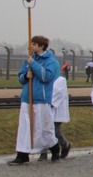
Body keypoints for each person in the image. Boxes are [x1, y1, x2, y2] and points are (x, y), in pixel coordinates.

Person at [8, 35, 61, 165]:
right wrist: (26, 76)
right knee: (25, 127)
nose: (31, 46)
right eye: (31, 44)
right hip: (27, 98)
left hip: (41, 99)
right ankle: (22, 154)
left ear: (41, 46)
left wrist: (34, 65)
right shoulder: (29, 59)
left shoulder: (51, 62)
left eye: (34, 44)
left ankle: (54, 147)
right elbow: (20, 78)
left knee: (43, 128)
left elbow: (46, 77)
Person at [39, 74, 71, 161]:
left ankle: (65, 145)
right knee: (44, 130)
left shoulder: (61, 80)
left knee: (55, 131)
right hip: (46, 108)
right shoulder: (44, 78)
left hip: (56, 109)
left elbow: (59, 94)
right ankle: (44, 152)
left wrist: (49, 102)